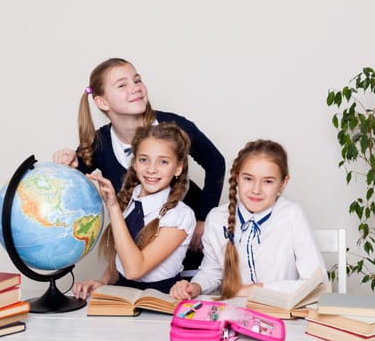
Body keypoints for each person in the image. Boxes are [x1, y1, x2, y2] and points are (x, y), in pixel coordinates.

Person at [52, 58, 225, 266]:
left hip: (189, 250)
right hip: (136, 255)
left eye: (137, 80)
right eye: (122, 85)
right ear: (102, 101)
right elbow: (69, 183)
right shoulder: (99, 144)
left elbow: (216, 163)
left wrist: (203, 219)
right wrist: (67, 163)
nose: (135, 88)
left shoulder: (175, 126)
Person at [169, 139, 327, 300]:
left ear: (283, 183)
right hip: (233, 315)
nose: (256, 190)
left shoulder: (292, 215)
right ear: (237, 177)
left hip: (281, 316)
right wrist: (194, 287)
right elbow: (211, 272)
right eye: (248, 179)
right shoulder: (217, 218)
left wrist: (252, 290)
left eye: (268, 181)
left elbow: (316, 283)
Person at [73, 122, 196, 298]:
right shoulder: (130, 197)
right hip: (123, 297)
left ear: (178, 168)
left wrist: (113, 207)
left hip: (158, 301)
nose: (151, 169)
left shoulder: (180, 216)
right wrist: (104, 282)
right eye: (143, 159)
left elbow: (134, 270)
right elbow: (122, 255)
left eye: (163, 162)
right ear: (135, 163)